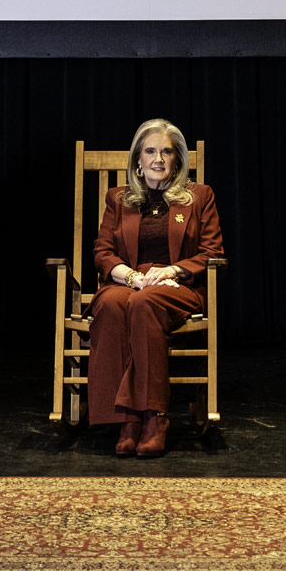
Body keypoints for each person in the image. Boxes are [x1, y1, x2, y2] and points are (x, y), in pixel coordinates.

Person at [87, 117, 224, 457]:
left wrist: (172, 271)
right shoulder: (118, 198)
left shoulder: (199, 197)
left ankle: (153, 417)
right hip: (130, 280)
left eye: (166, 152)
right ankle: (127, 419)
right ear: (138, 158)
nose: (158, 159)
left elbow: (212, 253)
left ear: (178, 159)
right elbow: (103, 252)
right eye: (150, 151)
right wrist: (132, 277)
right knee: (111, 304)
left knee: (144, 303)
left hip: (177, 286)